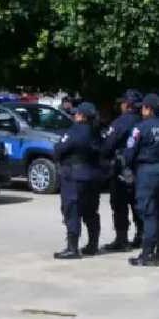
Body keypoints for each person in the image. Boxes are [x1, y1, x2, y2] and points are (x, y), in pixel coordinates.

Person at [126, 94, 159, 266]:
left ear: (148, 108)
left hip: (148, 172)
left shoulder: (140, 128)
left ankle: (147, 254)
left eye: (143, 107)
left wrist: (128, 166)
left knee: (149, 213)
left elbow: (129, 153)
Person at [53, 103, 106, 259]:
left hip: (75, 176)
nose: (74, 116)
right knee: (91, 211)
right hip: (94, 176)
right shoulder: (98, 132)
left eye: (76, 114)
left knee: (72, 210)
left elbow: (59, 149)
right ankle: (93, 245)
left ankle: (72, 248)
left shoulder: (74, 131)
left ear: (82, 116)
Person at [101, 90, 144, 251]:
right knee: (138, 204)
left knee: (119, 205)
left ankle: (122, 239)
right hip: (140, 168)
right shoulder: (144, 120)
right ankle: (141, 235)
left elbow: (107, 146)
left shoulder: (119, 123)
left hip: (121, 169)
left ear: (127, 104)